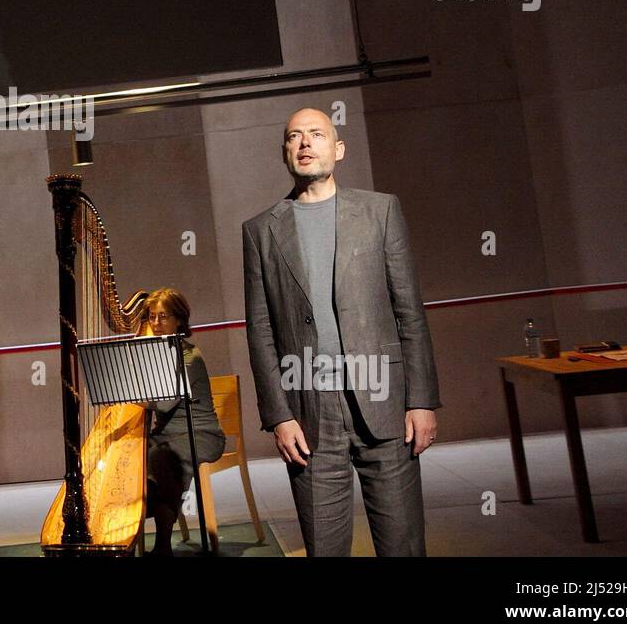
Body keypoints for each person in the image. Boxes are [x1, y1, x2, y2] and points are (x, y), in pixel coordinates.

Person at [242, 108, 441, 556]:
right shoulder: (260, 231)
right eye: (295, 136)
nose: (305, 143)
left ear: (338, 148)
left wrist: (422, 399)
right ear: (285, 153)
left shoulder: (380, 211)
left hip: (385, 404)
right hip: (309, 411)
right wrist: (279, 415)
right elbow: (260, 330)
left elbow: (409, 311)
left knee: (402, 545)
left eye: (316, 134)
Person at [141, 288, 226, 557]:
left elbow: (164, 403)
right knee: (132, 460)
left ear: (179, 319)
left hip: (201, 434)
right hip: (166, 435)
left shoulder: (189, 356)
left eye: (163, 317)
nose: (155, 324)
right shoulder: (155, 356)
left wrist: (126, 395)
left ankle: (162, 544)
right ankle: (141, 521)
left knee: (162, 459)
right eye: (152, 317)